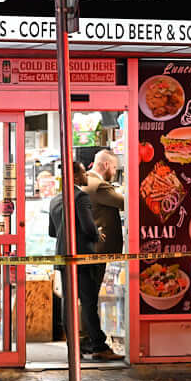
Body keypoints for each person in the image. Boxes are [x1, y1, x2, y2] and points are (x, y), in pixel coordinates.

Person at [48, 161, 108, 359]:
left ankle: (72, 347)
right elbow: (89, 228)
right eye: (83, 173)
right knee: (89, 302)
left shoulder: (55, 200)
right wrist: (97, 234)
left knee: (68, 302)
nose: (86, 176)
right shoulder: (80, 197)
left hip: (63, 256)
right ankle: (99, 346)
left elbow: (51, 232)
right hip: (82, 256)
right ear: (73, 176)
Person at [82, 149, 126, 361]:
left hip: (89, 250)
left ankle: (87, 341)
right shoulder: (99, 185)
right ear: (106, 165)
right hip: (97, 252)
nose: (115, 173)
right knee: (90, 299)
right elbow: (126, 203)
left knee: (87, 299)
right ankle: (97, 344)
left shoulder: (86, 183)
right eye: (115, 169)